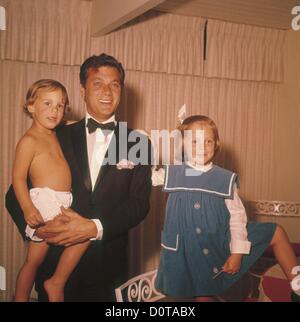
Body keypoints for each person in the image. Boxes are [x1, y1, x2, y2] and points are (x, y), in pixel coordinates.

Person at [6, 53, 152, 302]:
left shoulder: (137, 142)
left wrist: (94, 227)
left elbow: (139, 204)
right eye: (98, 84)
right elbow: (13, 196)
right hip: (54, 263)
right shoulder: (55, 134)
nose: (107, 91)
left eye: (114, 84)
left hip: (109, 271)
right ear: (82, 90)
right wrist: (39, 230)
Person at [152, 115, 300, 302]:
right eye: (195, 141)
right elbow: (146, 178)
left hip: (219, 244)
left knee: (277, 232)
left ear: (216, 145)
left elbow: (237, 218)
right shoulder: (172, 173)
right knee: (203, 295)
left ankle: (297, 288)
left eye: (208, 141)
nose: (202, 147)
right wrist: (131, 160)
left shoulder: (225, 179)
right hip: (188, 250)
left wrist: (237, 252)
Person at [12, 79, 90, 302]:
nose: (54, 111)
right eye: (47, 104)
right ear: (30, 106)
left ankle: (54, 282)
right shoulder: (29, 140)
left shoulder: (56, 133)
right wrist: (27, 208)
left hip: (62, 201)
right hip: (45, 201)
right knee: (36, 259)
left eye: (60, 105)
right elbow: (17, 178)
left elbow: (78, 125)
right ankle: (38, 290)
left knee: (81, 235)